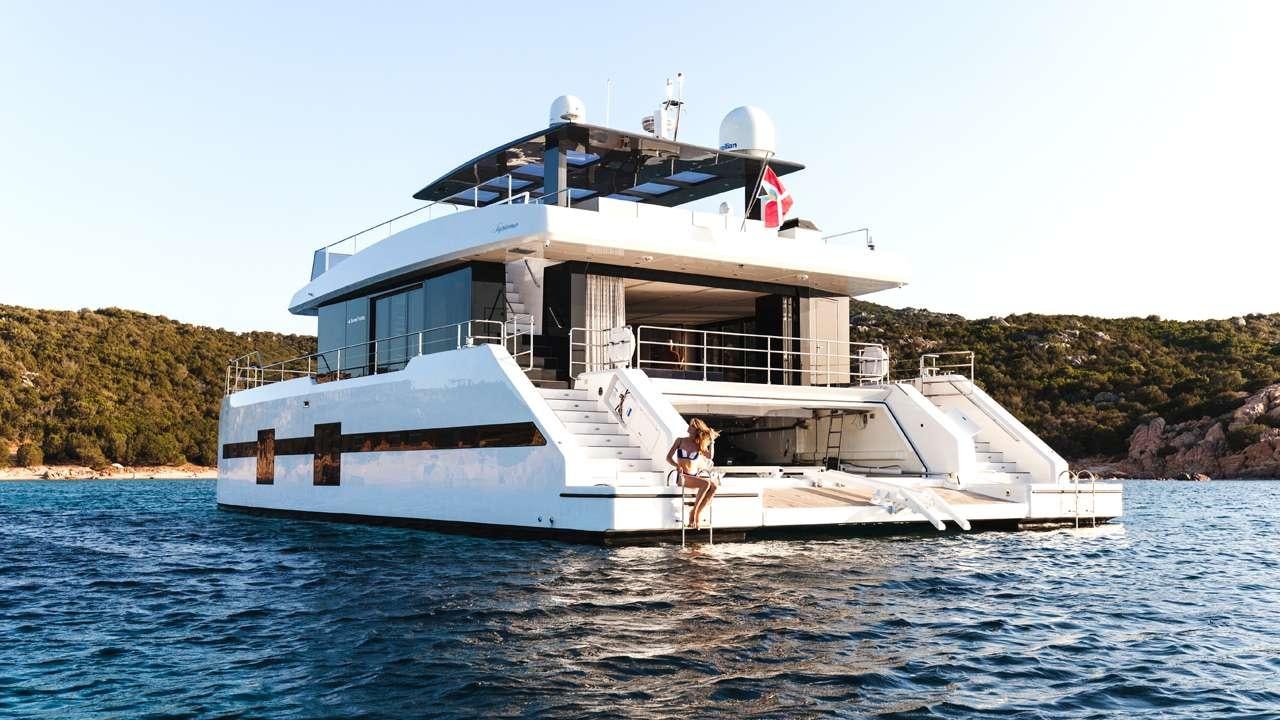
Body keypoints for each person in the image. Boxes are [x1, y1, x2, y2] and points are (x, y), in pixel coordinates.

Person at [666, 418, 720, 530]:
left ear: (697, 430)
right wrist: (677, 466)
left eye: (693, 426)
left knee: (714, 486)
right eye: (690, 425)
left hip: (694, 476)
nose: (690, 427)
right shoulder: (679, 441)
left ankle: (697, 512)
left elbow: (710, 456)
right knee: (706, 483)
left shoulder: (699, 444)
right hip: (682, 476)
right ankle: (694, 514)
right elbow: (668, 458)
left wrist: (712, 441)